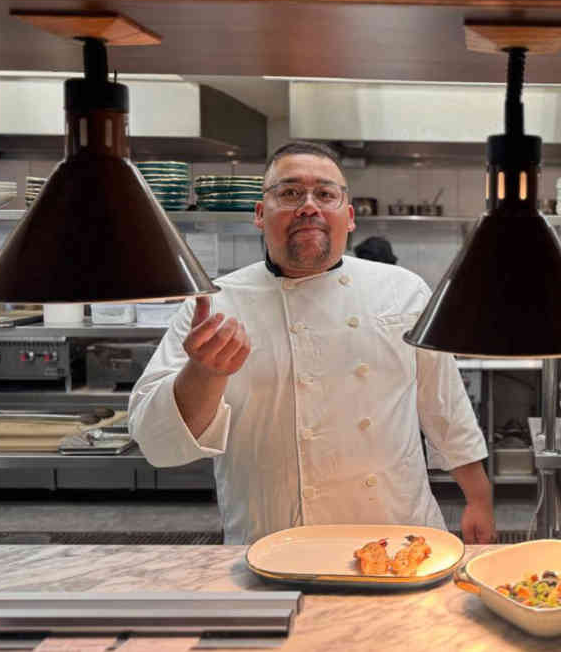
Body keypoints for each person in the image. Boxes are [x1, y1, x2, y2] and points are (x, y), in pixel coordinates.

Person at [129, 141, 495, 545]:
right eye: (289, 193)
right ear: (259, 214)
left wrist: (479, 498)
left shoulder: (405, 291)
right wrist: (202, 374)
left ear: (349, 217)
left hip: (395, 531)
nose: (308, 206)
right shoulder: (215, 304)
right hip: (273, 541)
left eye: (324, 193)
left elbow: (443, 403)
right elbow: (157, 442)